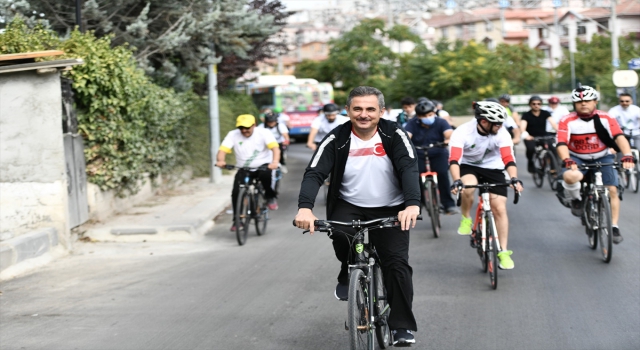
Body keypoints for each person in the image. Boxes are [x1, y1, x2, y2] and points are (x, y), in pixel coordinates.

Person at [294, 86, 421, 346]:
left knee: (396, 265)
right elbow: (315, 173)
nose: (364, 114)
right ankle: (347, 270)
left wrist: (412, 204)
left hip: (391, 207)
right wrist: (305, 207)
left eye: (370, 109)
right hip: (349, 204)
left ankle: (401, 326)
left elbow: (409, 167)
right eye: (358, 109)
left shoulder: (394, 134)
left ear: (381, 112)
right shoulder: (336, 137)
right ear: (348, 110)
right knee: (341, 236)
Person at [449, 101, 524, 270]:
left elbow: (508, 159)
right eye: (496, 123)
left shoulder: (502, 133)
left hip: (494, 167)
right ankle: (466, 217)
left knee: (499, 208)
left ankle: (503, 251)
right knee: (468, 186)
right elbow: (454, 159)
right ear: (483, 121)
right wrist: (456, 180)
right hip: (469, 166)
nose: (500, 126)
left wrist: (514, 178)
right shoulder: (463, 132)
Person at [556, 85, 635, 244]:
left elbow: (619, 137)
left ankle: (613, 226)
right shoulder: (567, 120)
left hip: (603, 157)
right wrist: (567, 160)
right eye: (579, 101)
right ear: (574, 104)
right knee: (572, 176)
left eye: (587, 100)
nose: (583, 104)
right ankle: (576, 199)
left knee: (612, 189)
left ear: (595, 102)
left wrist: (627, 155)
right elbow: (561, 143)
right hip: (577, 158)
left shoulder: (606, 118)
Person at [216, 114, 281, 231]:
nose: (244, 131)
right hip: (244, 168)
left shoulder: (263, 133)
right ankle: (237, 221)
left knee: (266, 176)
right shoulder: (233, 135)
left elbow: (275, 148)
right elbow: (223, 150)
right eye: (241, 128)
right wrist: (221, 161)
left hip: (262, 166)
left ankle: (270, 197)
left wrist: (275, 162)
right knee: (236, 191)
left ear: (254, 125)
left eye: (247, 128)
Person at [404, 101, 458, 214]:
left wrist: (447, 140)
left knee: (442, 173)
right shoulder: (412, 123)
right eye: (424, 116)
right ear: (418, 116)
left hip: (438, 151)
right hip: (418, 152)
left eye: (430, 115)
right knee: (415, 175)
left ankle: (448, 204)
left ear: (434, 113)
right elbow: (406, 137)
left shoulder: (441, 122)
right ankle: (420, 202)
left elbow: (449, 135)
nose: (427, 118)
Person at [520, 95, 557, 173]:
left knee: (553, 148)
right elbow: (522, 127)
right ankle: (531, 163)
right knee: (531, 149)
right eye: (534, 104)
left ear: (541, 104)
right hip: (531, 137)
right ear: (530, 104)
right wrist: (526, 135)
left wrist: (559, 131)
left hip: (543, 136)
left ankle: (553, 168)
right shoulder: (526, 115)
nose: (536, 105)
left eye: (538, 104)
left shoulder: (545, 113)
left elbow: (553, 124)